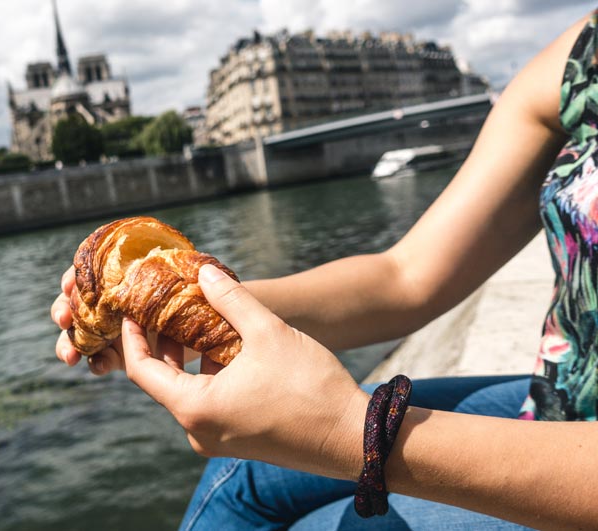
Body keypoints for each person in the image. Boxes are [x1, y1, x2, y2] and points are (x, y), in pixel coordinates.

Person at [50, 10, 598, 530]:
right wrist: (197, 314)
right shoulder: (576, 56)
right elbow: (406, 278)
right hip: (567, 392)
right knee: (240, 472)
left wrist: (346, 431)